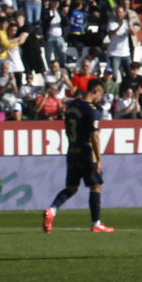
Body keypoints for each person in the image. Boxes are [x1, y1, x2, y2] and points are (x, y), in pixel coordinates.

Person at [43, 77, 113, 233]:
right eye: (100, 95)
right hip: (87, 153)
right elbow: (94, 136)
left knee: (71, 188)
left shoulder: (71, 105)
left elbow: (67, 127)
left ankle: (52, 210)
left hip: (72, 151)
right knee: (96, 186)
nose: (100, 99)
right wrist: (99, 160)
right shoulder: (92, 110)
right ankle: (96, 224)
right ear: (96, 91)